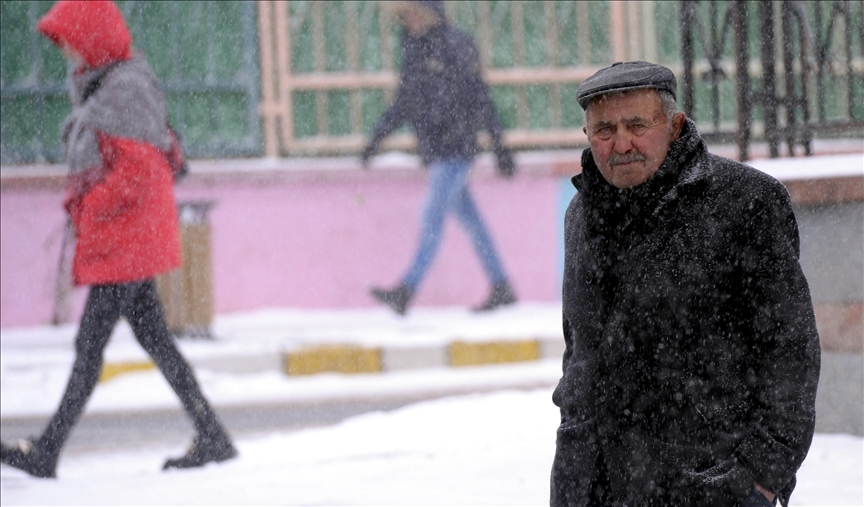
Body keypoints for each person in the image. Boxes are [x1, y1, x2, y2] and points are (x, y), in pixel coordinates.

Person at [550, 61, 820, 507]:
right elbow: (579, 351)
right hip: (591, 486)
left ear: (674, 126)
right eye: (604, 130)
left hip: (710, 486)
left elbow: (790, 353)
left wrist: (760, 477)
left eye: (637, 125)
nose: (621, 144)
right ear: (587, 135)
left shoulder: (746, 202)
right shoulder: (580, 214)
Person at [0, 0, 236, 478]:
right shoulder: (109, 85)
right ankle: (213, 434)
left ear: (92, 38)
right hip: (129, 239)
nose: (66, 51)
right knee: (156, 343)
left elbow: (139, 172)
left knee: (89, 348)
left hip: (127, 241)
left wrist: (89, 205)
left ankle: (46, 452)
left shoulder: (122, 90)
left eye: (70, 40)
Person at [361, 0, 517, 316]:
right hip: (436, 151)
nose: (409, 20)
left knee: (432, 218)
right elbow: (404, 102)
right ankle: (501, 284)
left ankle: (407, 289)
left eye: (413, 13)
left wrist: (499, 145)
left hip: (456, 149)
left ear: (429, 13)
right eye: (405, 15)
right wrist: (377, 139)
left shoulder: (456, 45)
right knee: (472, 222)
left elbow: (480, 97)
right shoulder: (414, 51)